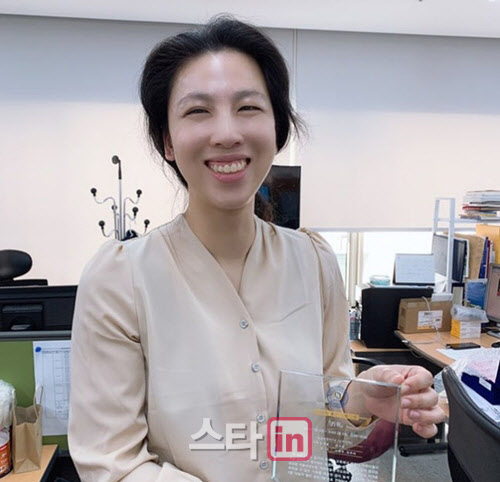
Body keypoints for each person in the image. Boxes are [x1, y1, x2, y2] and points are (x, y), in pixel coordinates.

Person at [68, 16, 445, 482]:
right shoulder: (120, 279)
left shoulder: (314, 262)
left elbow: (324, 421)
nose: (227, 133)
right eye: (198, 111)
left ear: (277, 128)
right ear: (167, 140)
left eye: (248, 107)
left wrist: (367, 396)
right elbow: (113, 464)